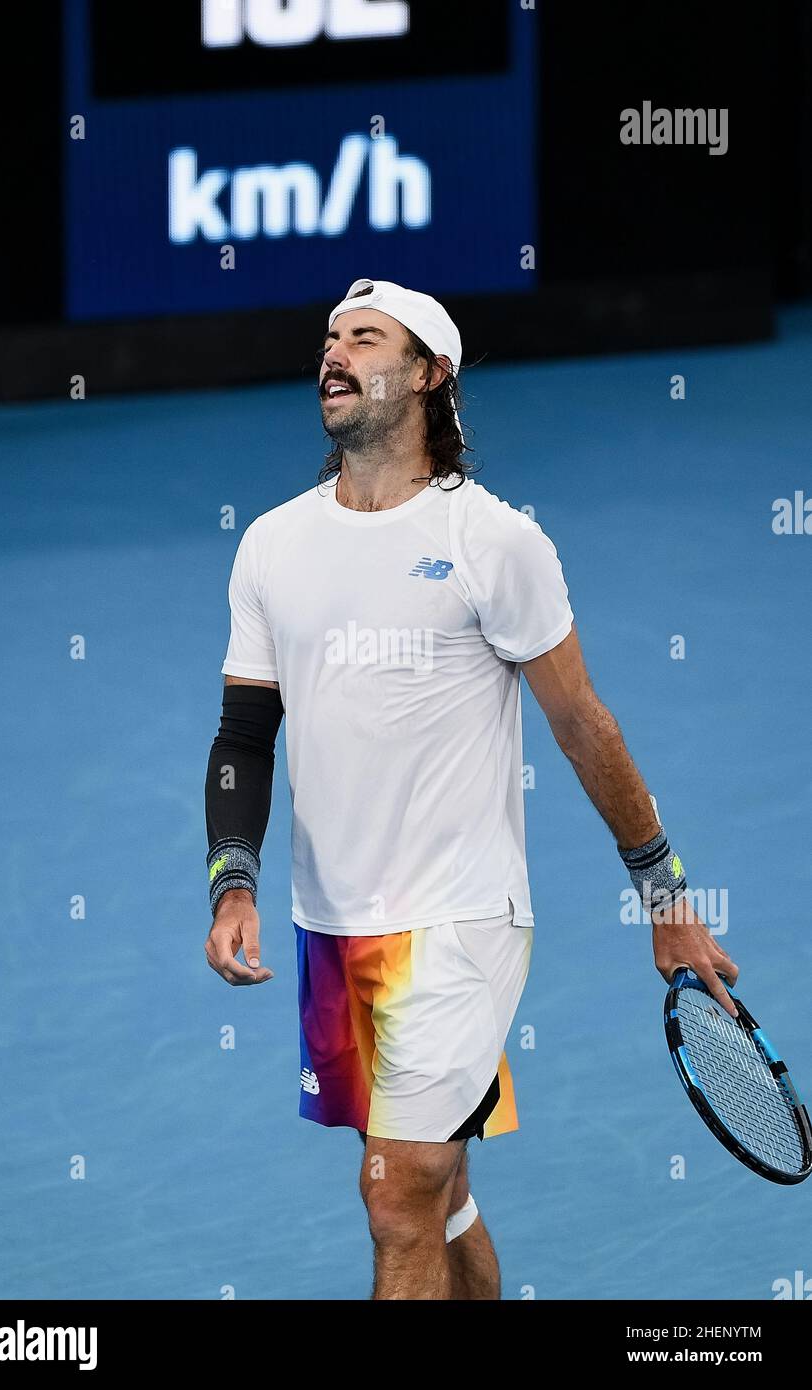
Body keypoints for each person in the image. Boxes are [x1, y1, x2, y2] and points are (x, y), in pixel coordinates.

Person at [203, 278, 738, 1301]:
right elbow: (243, 732)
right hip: (332, 922)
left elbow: (582, 724)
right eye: (328, 336)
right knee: (438, 1199)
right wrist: (234, 879)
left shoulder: (494, 541)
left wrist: (663, 894)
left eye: (366, 337)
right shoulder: (271, 543)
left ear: (428, 373)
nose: (336, 351)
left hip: (459, 920)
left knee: (396, 1196)